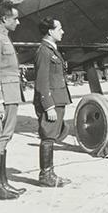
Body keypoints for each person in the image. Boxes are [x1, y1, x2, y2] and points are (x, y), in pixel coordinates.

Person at [0, 0, 27, 200]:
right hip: (4, 96)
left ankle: (3, 183)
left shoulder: (3, 37)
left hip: (10, 94)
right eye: (15, 19)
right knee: (1, 138)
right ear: (4, 18)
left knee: (5, 137)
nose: (18, 23)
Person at [34, 17, 72, 187]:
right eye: (59, 28)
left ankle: (49, 172)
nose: (62, 31)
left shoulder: (51, 50)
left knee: (54, 134)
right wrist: (48, 106)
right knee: (48, 137)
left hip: (58, 99)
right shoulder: (44, 51)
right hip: (51, 102)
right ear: (50, 31)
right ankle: (46, 175)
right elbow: (42, 82)